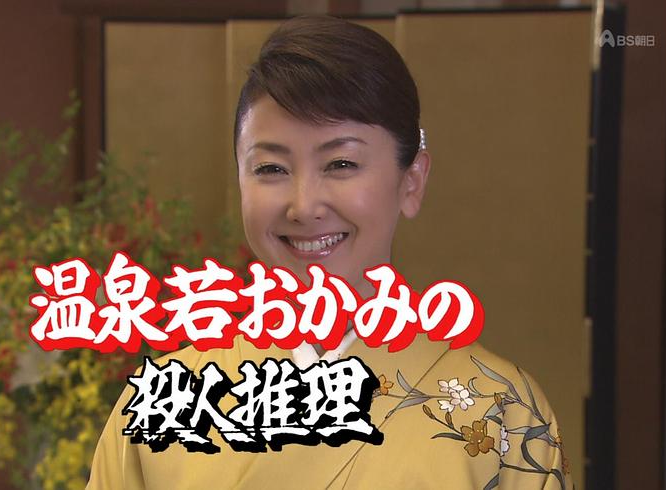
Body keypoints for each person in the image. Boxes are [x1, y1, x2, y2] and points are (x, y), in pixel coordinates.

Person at [88, 15, 573, 489]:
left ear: (411, 181)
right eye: (271, 169)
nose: (304, 207)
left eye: (341, 163)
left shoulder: (503, 414)